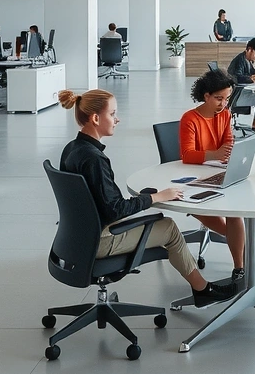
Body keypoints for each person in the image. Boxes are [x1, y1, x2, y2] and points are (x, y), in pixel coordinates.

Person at [58, 89, 237, 308]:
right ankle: (203, 290)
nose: (117, 119)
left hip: (77, 237)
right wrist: (156, 197)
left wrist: (148, 198)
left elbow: (100, 202)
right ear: (95, 118)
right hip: (100, 240)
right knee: (169, 228)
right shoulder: (95, 159)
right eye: (112, 114)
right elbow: (115, 209)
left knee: (156, 217)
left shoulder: (73, 149)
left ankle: (202, 288)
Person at [179, 68, 246, 280]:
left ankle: (239, 267)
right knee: (230, 224)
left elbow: (228, 141)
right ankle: (242, 244)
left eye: (227, 98)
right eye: (218, 98)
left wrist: (228, 154)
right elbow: (187, 155)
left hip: (216, 172)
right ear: (206, 96)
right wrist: (215, 154)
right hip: (192, 179)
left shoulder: (225, 115)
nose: (223, 103)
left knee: (235, 212)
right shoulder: (190, 119)